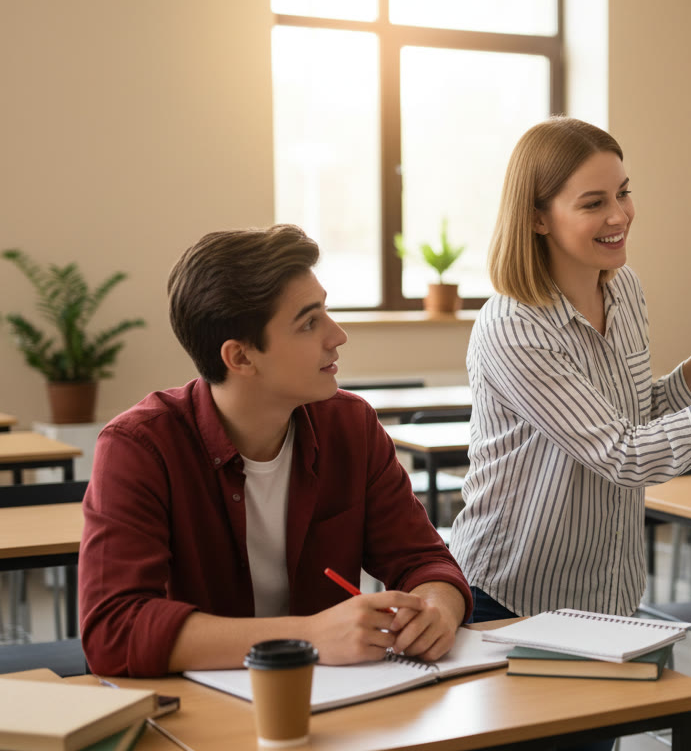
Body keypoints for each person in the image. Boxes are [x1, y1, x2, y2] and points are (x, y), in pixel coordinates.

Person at [452, 117, 691, 625]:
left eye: (623, 193)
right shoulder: (514, 327)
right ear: (538, 218)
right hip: (512, 595)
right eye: (593, 203)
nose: (619, 215)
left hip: (608, 588)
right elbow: (625, 455)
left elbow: (637, 415)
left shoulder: (624, 288)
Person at [79, 225, 471, 678]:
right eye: (309, 322)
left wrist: (436, 609)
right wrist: (309, 636)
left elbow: (423, 560)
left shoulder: (350, 426)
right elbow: (113, 631)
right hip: (199, 716)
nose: (338, 335)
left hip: (332, 698)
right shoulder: (140, 448)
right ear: (241, 358)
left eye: (326, 311)